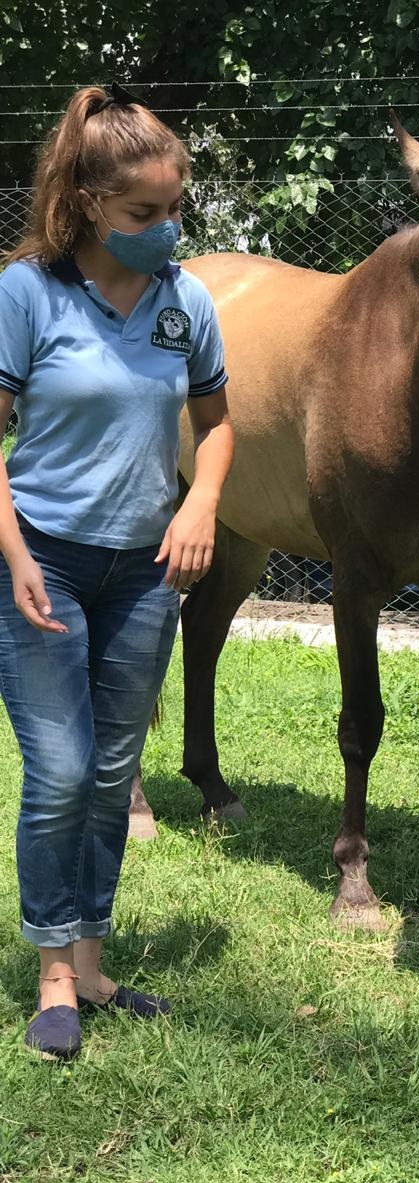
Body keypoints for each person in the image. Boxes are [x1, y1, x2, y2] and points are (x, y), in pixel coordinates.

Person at [0, 85, 234, 1060]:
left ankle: (91, 962)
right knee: (57, 769)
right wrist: (13, 554)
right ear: (90, 201)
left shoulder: (186, 303)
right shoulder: (28, 295)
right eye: (145, 214)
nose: (166, 229)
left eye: (176, 209)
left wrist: (200, 500)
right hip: (42, 560)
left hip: (144, 574)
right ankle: (54, 970)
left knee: (107, 771)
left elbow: (217, 425)